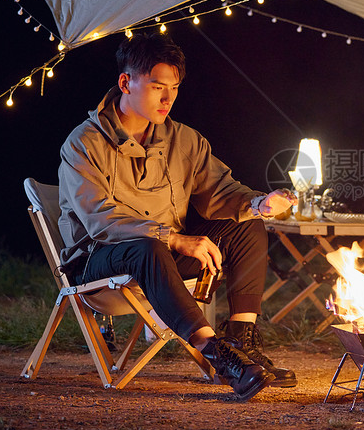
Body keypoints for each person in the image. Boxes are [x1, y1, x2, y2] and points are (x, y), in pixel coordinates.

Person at [57, 33, 297, 400]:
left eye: (174, 88)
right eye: (156, 87)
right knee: (148, 248)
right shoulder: (84, 143)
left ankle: (241, 341)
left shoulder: (184, 140)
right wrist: (172, 237)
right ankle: (219, 355)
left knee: (247, 227)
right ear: (126, 82)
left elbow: (220, 191)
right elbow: (98, 219)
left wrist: (260, 204)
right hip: (99, 264)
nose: (167, 99)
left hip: (162, 263)